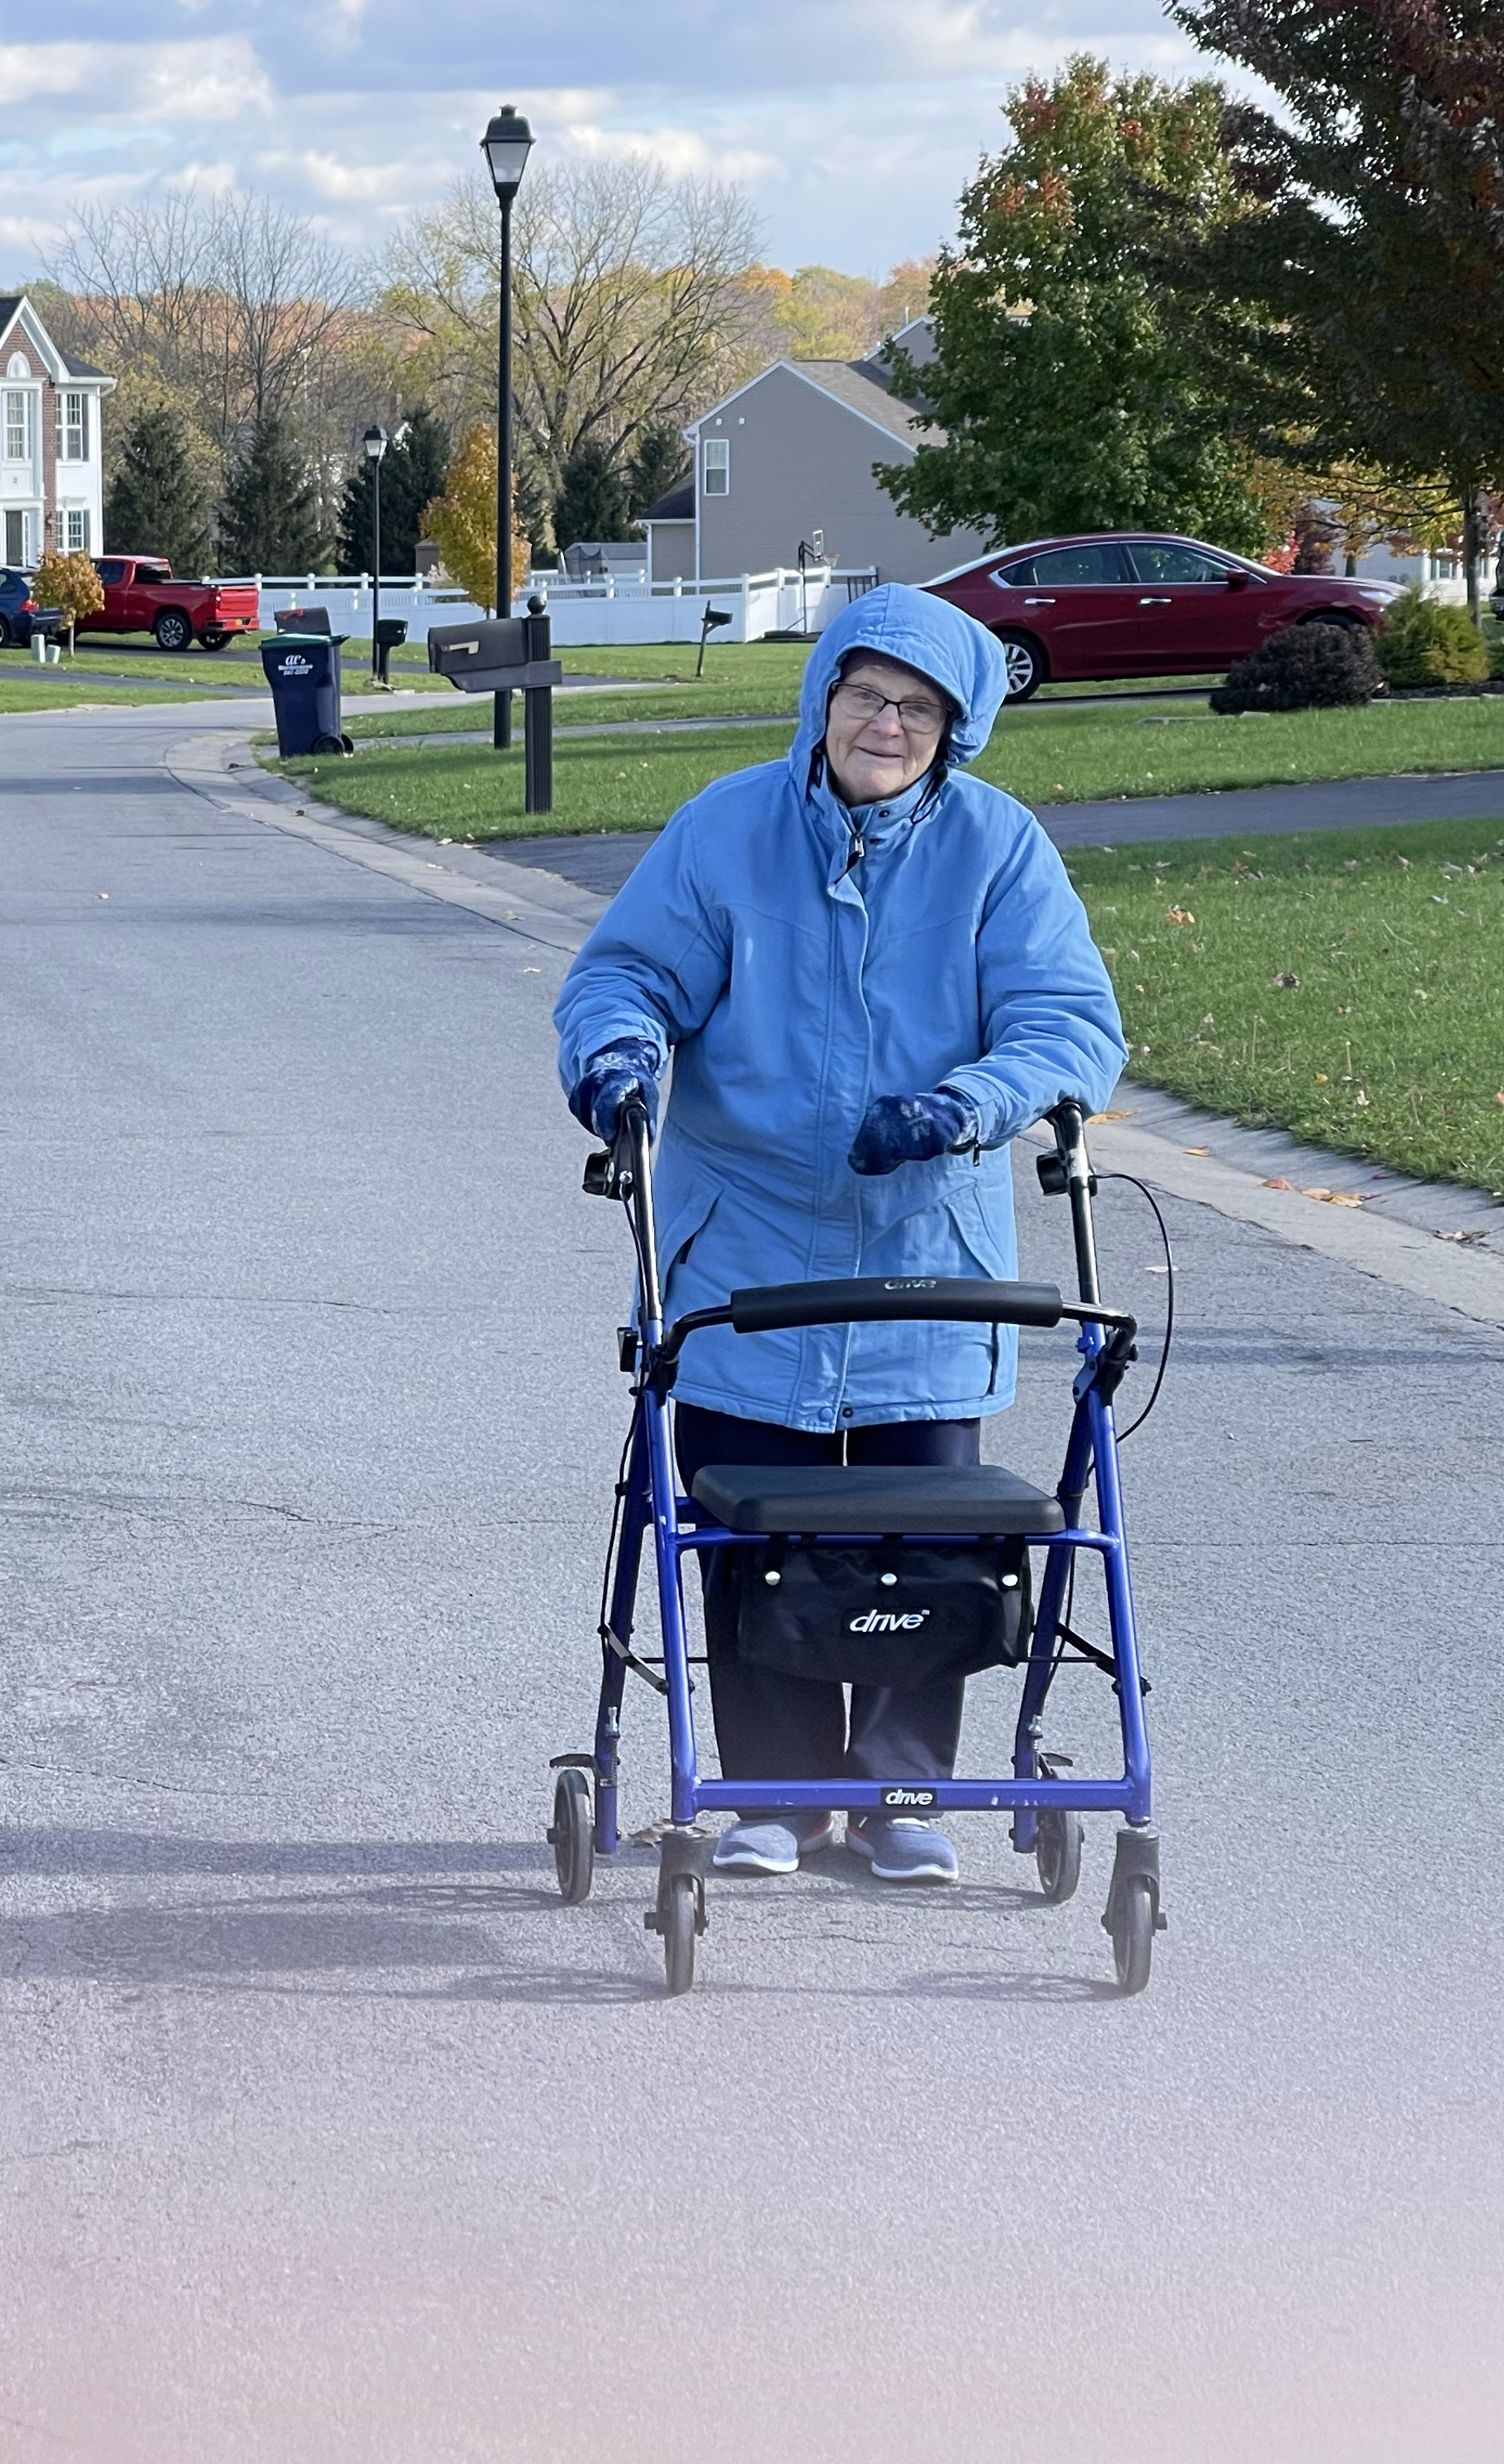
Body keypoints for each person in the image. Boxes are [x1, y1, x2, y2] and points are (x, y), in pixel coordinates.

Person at [552, 584, 1123, 1886]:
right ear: (823, 700)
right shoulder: (729, 829)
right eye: (867, 694)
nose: (887, 723)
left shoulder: (999, 849)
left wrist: (960, 1107)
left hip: (931, 1259)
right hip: (747, 1249)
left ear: (957, 728)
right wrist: (621, 1058)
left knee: (926, 1531)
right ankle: (770, 1795)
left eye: (919, 708)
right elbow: (625, 974)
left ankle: (903, 1790)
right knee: (754, 1530)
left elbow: (1067, 1022)